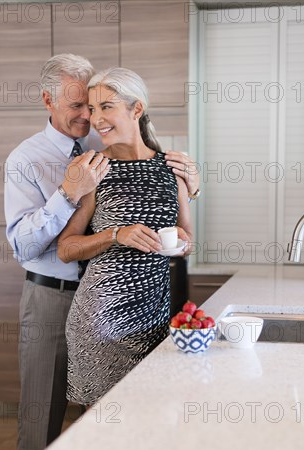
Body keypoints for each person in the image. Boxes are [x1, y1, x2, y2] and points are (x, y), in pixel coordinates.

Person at [4, 54, 200, 450]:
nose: (89, 117)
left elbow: (168, 212)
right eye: (80, 106)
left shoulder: (108, 147)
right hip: (53, 297)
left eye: (95, 106)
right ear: (48, 101)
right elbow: (28, 245)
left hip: (141, 309)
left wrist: (191, 190)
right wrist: (68, 194)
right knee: (43, 420)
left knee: (128, 430)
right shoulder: (30, 159)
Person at [57, 67, 193, 406]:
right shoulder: (94, 169)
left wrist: (179, 241)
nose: (95, 118)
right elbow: (66, 248)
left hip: (155, 321)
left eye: (106, 107)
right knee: (104, 431)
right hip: (100, 322)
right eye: (92, 108)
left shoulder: (172, 168)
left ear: (136, 109)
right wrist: (116, 234)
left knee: (153, 424)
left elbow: (190, 241)